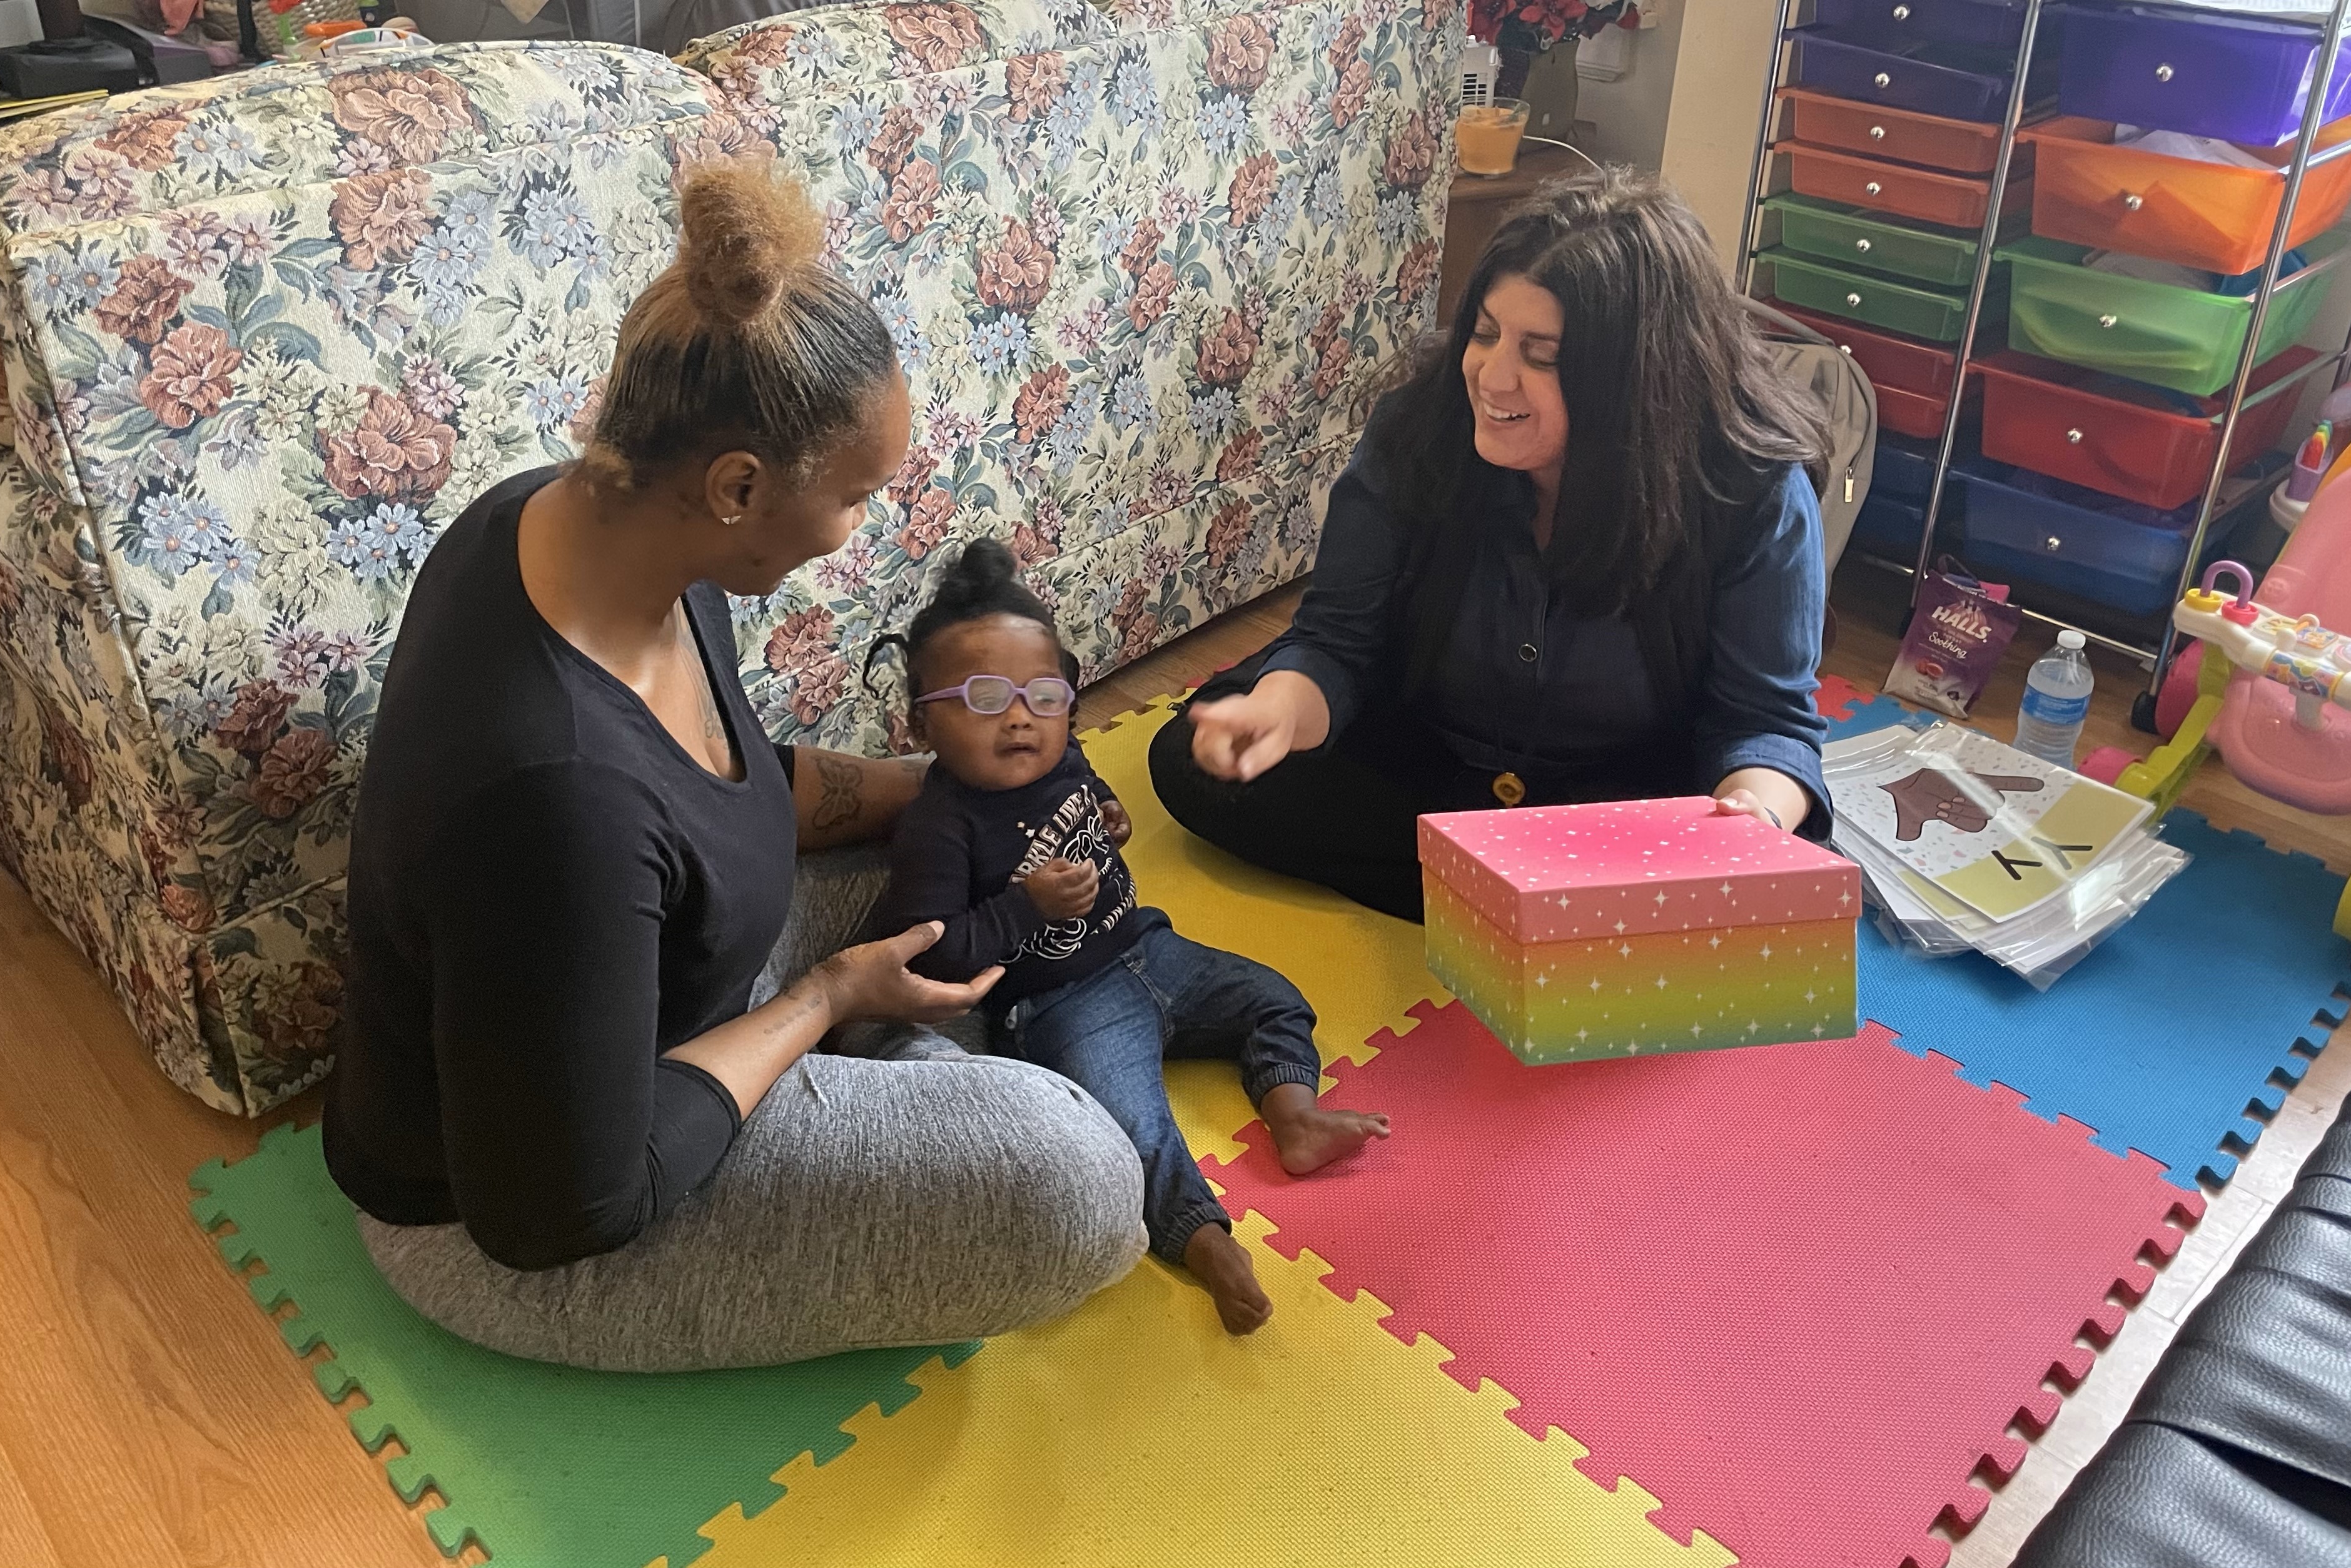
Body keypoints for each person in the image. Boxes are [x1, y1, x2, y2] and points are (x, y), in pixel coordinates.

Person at [322, 163, 1146, 1373]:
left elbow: (717, 783)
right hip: (524, 1216)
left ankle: (904, 1051)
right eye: (857, 500)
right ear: (739, 486)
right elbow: (566, 1208)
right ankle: (904, 1061)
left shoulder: (576, 529)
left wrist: (951, 790)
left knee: (967, 833)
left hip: (635, 1000)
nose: (857, 530)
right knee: (1077, 1184)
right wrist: (824, 1001)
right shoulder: (554, 797)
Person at [1150, 168, 1835, 922]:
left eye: (1542, 356)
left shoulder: (1749, 489)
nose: (1492, 376)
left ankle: (1500, 891)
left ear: (1635, 377)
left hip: (1617, 789)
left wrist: (1747, 823)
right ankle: (1538, 902)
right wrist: (1278, 710)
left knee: (1770, 860)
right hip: (1428, 754)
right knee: (1191, 758)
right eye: (1484, 332)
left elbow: (1765, 722)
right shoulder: (1419, 428)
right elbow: (1337, 641)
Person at [864, 541, 1389, 1336]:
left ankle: (1296, 1114)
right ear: (920, 720)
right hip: (1061, 1003)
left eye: (1043, 695)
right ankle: (1204, 1238)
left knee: (1275, 998)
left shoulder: (1060, 751)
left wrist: (1110, 809)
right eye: (982, 697)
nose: (1019, 717)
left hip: (1146, 947)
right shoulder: (940, 828)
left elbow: (1084, 780)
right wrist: (1024, 908)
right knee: (1132, 1129)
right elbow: (932, 952)